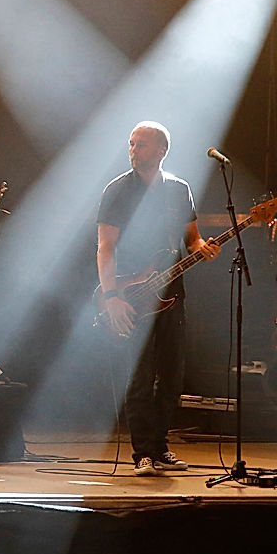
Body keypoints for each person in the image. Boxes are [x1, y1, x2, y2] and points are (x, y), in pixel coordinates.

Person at [96, 121, 220, 477]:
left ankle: (161, 447)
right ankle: (142, 453)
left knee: (171, 375)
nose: (133, 151)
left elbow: (191, 238)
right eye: (131, 144)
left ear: (162, 151)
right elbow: (106, 248)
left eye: (141, 145)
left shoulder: (178, 190)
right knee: (139, 376)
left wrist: (203, 248)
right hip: (131, 293)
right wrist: (112, 297)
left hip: (171, 293)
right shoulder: (118, 190)